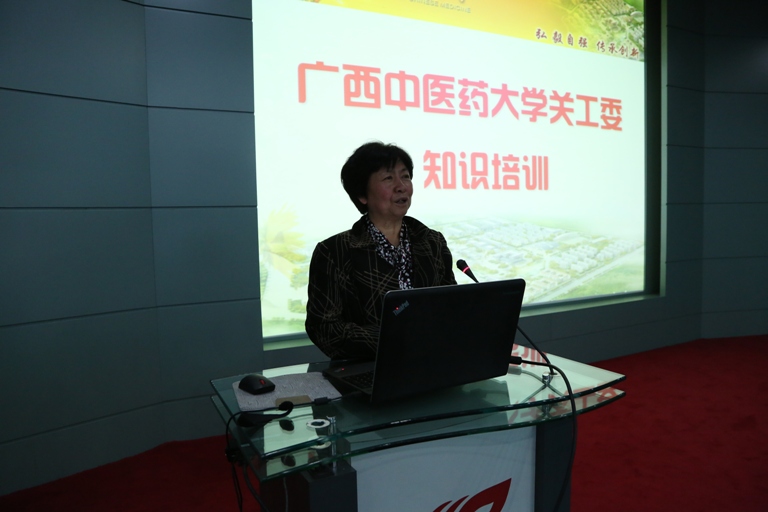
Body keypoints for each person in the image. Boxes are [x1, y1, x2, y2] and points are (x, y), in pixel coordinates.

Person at [305, 142, 457, 360]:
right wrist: (396, 338)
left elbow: (451, 306)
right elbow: (324, 329)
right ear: (362, 195)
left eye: (405, 176)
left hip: (432, 363)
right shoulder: (334, 252)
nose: (401, 186)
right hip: (368, 369)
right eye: (388, 178)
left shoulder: (432, 242)